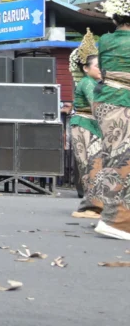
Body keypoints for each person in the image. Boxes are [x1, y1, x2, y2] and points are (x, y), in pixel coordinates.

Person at [89, 0, 130, 241]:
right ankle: (117, 221)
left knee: (114, 158)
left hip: (105, 103)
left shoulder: (105, 41)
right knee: (123, 162)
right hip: (123, 102)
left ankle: (112, 215)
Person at [68, 33, 103, 219]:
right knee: (90, 166)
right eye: (97, 66)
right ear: (85, 68)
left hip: (89, 125)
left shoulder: (94, 83)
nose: (101, 69)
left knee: (92, 166)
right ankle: (91, 206)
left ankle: (94, 205)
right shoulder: (87, 83)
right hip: (85, 125)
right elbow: (96, 106)